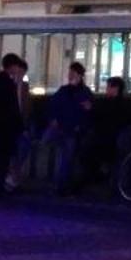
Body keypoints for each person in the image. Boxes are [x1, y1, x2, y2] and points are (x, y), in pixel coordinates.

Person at [44, 60, 94, 194]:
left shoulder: (82, 92)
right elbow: (53, 106)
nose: (70, 75)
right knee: (65, 155)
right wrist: (53, 119)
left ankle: (61, 184)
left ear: (79, 75)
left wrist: (80, 124)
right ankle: (61, 184)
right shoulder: (65, 90)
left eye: (72, 73)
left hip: (72, 130)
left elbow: (86, 113)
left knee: (66, 155)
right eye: (70, 73)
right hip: (64, 128)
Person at [0, 53, 28, 195]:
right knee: (3, 159)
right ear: (12, 66)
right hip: (6, 128)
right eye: (16, 66)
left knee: (0, 159)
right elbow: (13, 109)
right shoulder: (9, 84)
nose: (17, 69)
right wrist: (20, 126)